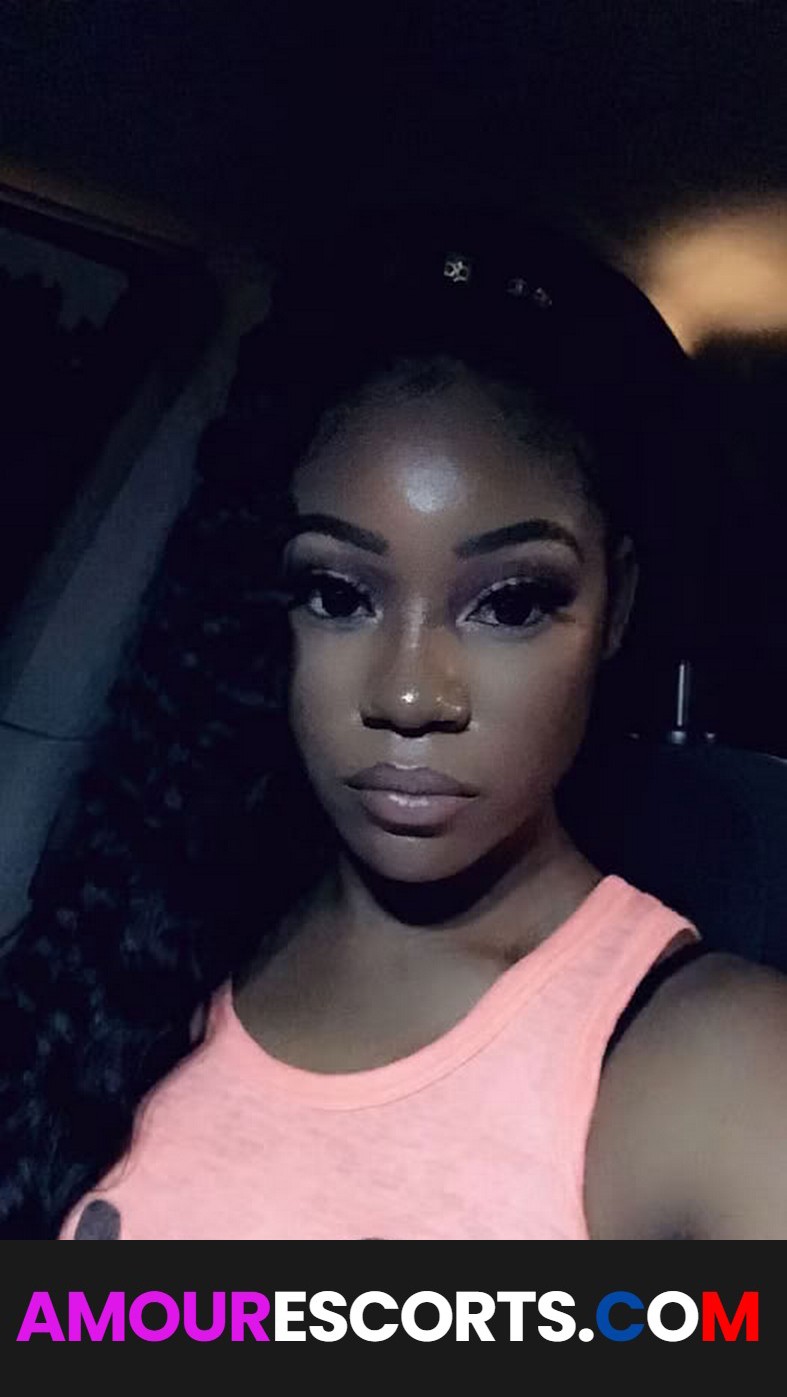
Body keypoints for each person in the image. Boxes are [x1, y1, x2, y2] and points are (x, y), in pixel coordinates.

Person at [1, 209, 785, 1241]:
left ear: (616, 608)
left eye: (510, 603)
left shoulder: (716, 1066)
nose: (411, 696)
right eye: (336, 594)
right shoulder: (154, 939)